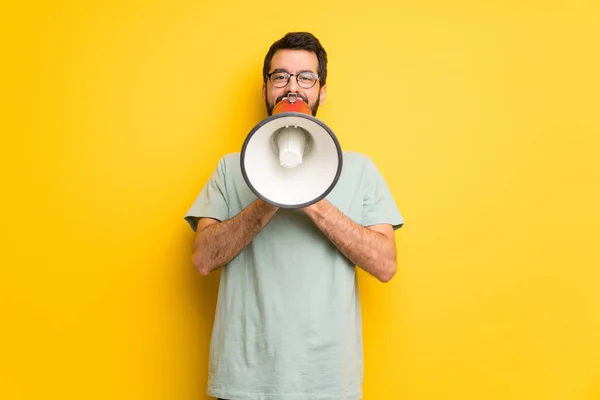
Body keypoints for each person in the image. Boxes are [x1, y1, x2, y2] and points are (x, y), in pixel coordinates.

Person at [184, 32, 404, 400]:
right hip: (244, 384)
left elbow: (385, 265)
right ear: (265, 88)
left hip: (327, 383)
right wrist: (270, 192)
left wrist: (309, 193)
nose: (292, 88)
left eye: (306, 77)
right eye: (280, 76)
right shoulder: (229, 168)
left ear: (322, 91)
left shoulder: (361, 169)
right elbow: (203, 259)